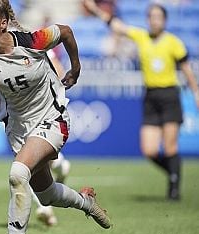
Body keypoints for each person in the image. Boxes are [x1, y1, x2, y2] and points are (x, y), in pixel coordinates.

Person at [0, 0, 111, 234]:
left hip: (52, 117)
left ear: (3, 23)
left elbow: (65, 31)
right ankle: (87, 202)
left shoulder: (33, 41)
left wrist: (75, 67)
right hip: (19, 130)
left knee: (18, 173)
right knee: (47, 194)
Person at [83, 0, 199, 200]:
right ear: (148, 20)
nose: (155, 21)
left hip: (170, 95)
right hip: (150, 96)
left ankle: (174, 189)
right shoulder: (142, 36)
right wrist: (94, 9)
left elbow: (187, 69)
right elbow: (116, 25)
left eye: (158, 17)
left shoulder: (173, 42)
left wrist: (196, 92)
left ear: (164, 20)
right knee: (149, 149)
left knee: (170, 147)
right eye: (152, 17)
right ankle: (173, 172)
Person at [0, 67, 71, 227]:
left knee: (49, 164)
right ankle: (45, 207)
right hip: (14, 118)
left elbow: (58, 71)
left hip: (39, 114)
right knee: (26, 165)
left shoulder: (36, 50)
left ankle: (61, 169)